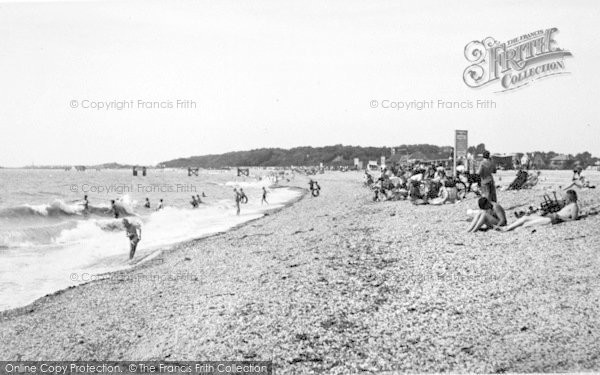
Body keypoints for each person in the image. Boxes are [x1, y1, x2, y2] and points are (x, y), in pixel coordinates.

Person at [500, 190, 579, 231]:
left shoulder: (574, 206)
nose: (564, 200)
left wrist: (559, 217)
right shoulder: (568, 205)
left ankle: (509, 229)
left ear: (569, 198)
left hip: (552, 220)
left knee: (527, 224)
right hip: (550, 217)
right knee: (526, 217)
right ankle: (507, 228)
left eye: (566, 198)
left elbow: (573, 219)